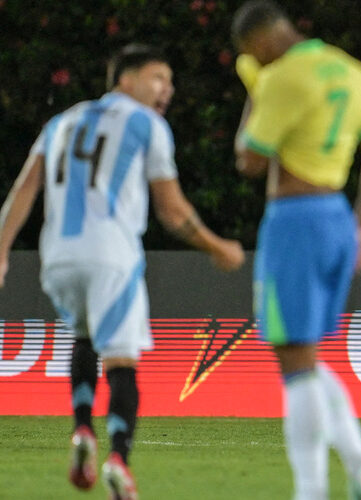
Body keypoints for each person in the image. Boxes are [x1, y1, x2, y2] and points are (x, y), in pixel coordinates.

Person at [0, 44, 245, 499]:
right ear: (125, 81)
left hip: (58, 257)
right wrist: (217, 246)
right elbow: (172, 212)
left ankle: (80, 429)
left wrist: (0, 251)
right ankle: (119, 459)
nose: (166, 89)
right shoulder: (147, 124)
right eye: (157, 78)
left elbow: (23, 189)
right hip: (111, 254)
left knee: (84, 337)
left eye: (169, 81)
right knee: (122, 360)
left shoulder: (61, 122)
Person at [230, 0, 361, 499]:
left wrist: (255, 94)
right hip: (338, 219)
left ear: (259, 42)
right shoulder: (352, 69)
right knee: (305, 354)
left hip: (294, 221)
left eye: (249, 54)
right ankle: (360, 468)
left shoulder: (281, 78)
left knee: (294, 361)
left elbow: (249, 160)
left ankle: (315, 487)